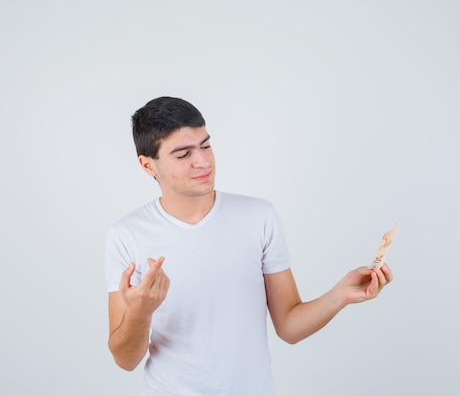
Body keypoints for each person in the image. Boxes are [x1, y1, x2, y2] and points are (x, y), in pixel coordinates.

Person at [105, 96, 393, 396]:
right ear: (148, 165)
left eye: (205, 145)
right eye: (183, 154)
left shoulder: (259, 217)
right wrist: (141, 311)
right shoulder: (127, 235)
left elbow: (289, 326)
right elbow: (125, 360)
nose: (202, 161)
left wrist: (340, 295)